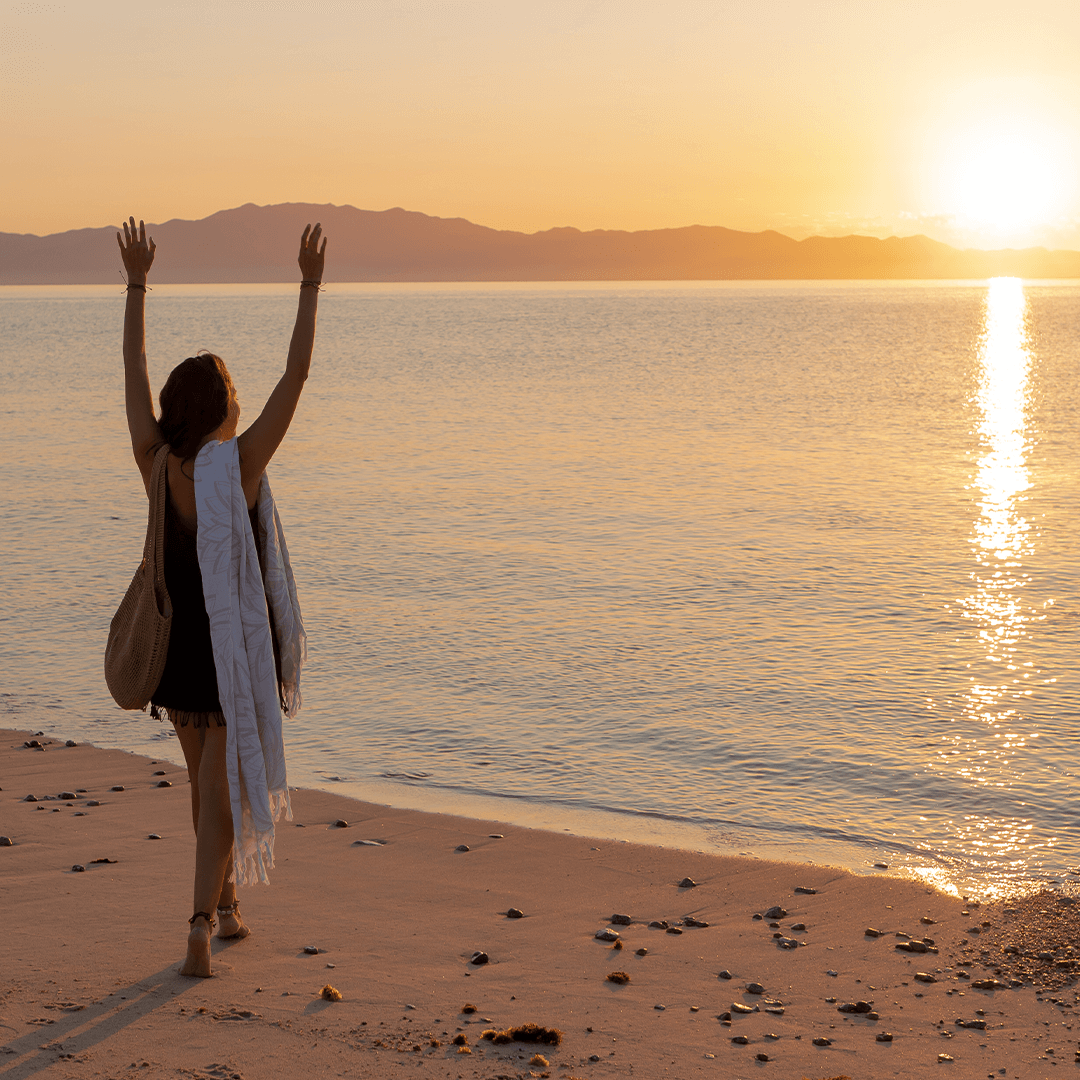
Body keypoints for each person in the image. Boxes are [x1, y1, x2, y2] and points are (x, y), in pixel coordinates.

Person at [117, 215, 326, 977]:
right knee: (218, 783)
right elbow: (295, 378)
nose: (243, 406)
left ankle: (229, 906)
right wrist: (309, 284)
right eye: (235, 397)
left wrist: (138, 282)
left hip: (176, 653)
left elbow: (134, 367)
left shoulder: (156, 462)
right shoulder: (235, 469)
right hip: (229, 651)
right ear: (222, 410)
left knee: (204, 787)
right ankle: (199, 926)